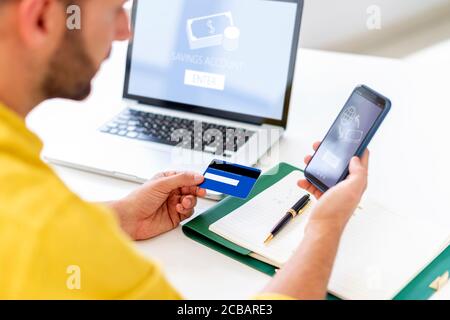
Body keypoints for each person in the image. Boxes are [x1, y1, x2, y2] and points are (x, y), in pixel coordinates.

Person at [0, 0, 369, 299]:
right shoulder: (44, 226)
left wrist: (120, 216)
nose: (126, 30)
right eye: (114, 10)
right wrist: (325, 228)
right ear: (41, 18)